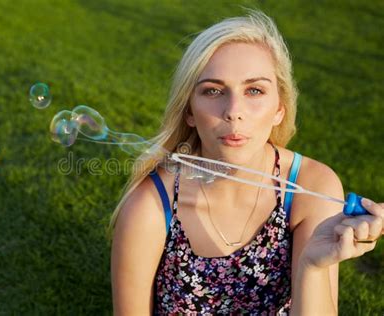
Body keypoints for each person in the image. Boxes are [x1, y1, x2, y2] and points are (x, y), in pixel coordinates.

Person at [110, 10, 383, 315]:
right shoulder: (150, 205)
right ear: (189, 111)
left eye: (254, 90)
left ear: (279, 108)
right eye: (213, 91)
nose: (234, 111)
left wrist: (313, 267)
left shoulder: (310, 187)